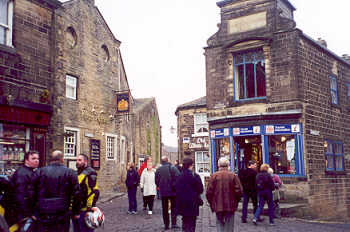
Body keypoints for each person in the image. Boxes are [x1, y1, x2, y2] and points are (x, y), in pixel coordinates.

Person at [33, 150, 80, 232]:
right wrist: (75, 212)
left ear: (50, 159)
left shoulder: (39, 172)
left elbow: (32, 192)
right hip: (62, 212)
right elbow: (77, 194)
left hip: (43, 211)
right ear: (62, 159)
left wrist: (33, 212)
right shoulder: (70, 172)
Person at [206, 157, 243, 232]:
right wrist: (236, 201)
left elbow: (209, 192)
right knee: (229, 225)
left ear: (218, 165)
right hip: (230, 204)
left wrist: (212, 203)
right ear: (228, 165)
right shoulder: (233, 176)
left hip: (218, 204)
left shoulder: (214, 176)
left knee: (219, 224)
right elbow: (239, 191)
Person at [9, 151, 39, 229]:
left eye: (37, 158)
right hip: (22, 214)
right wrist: (28, 214)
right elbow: (21, 195)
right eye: (33, 158)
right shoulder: (23, 174)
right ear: (26, 160)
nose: (36, 161)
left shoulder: (28, 172)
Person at [175, 158, 203, 232]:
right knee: (192, 222)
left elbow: (175, 189)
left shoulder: (179, 176)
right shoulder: (195, 176)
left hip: (182, 203)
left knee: (185, 220)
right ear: (191, 165)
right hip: (193, 203)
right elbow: (200, 189)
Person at [73, 154, 100, 232]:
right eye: (77, 160)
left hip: (85, 210)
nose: (77, 162)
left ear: (85, 161)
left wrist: (89, 208)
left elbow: (93, 191)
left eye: (80, 160)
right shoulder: (77, 173)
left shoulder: (90, 173)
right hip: (76, 210)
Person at [155, 156, 180, 231]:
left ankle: (166, 225)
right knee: (174, 208)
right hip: (172, 191)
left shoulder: (158, 169)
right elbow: (178, 177)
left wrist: (160, 186)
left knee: (165, 208)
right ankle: (174, 223)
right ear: (168, 160)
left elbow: (156, 180)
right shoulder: (173, 168)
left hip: (163, 192)